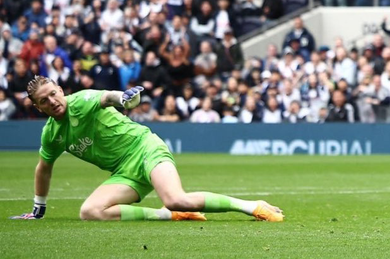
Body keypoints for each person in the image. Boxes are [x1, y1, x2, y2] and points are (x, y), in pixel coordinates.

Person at [9, 78, 284, 222]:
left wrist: (125, 98)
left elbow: (108, 97)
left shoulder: (81, 100)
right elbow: (43, 167)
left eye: (54, 94)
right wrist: (38, 208)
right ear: (38, 107)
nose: (53, 101)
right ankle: (166, 215)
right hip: (124, 172)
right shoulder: (51, 134)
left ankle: (252, 206)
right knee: (90, 212)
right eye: (44, 101)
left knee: (176, 197)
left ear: (59, 89)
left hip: (145, 148)